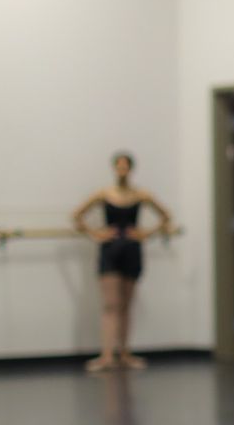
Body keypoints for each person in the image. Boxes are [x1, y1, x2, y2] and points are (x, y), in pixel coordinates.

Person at [72, 152, 175, 372]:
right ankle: (107, 354)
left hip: (131, 249)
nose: (122, 171)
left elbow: (166, 216)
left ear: (130, 169)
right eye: (118, 167)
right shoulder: (104, 194)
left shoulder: (141, 195)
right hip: (110, 250)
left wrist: (146, 233)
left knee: (126, 305)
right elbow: (77, 216)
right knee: (110, 304)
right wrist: (96, 233)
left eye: (125, 167)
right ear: (114, 169)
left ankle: (125, 353)